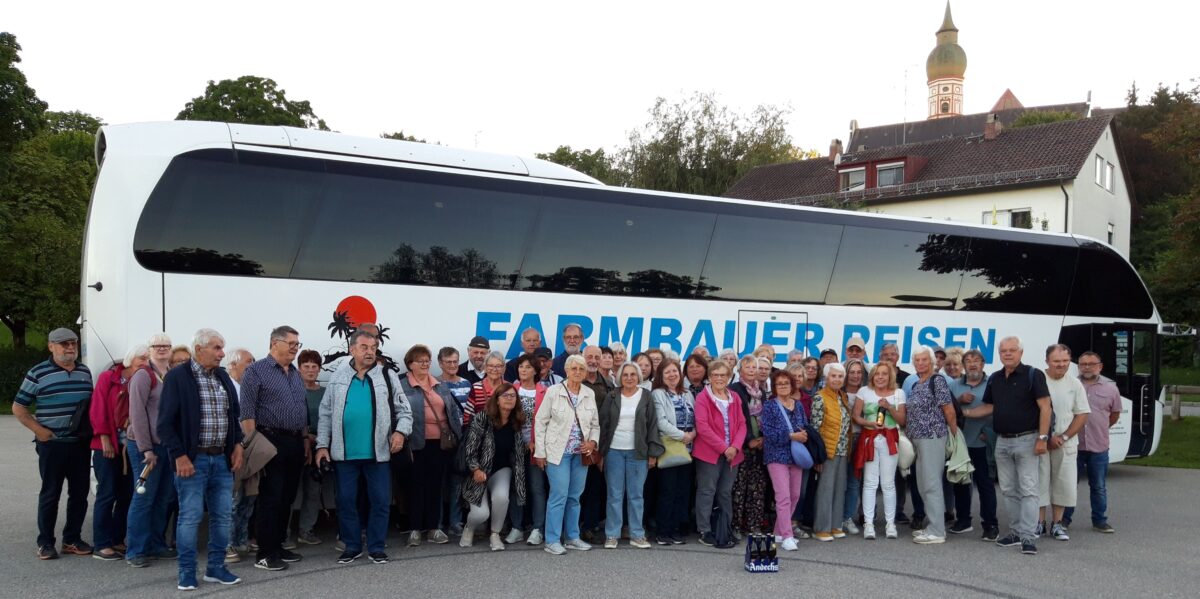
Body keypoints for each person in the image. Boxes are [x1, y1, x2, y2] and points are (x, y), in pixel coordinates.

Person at [157, 328, 245, 590]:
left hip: (221, 461)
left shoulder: (222, 377)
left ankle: (216, 568)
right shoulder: (177, 378)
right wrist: (180, 456)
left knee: (222, 516)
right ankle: (186, 572)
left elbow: (234, 415)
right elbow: (164, 425)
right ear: (199, 350)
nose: (221, 353)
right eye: (216, 348)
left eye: (222, 347)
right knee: (190, 517)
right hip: (192, 461)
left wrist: (238, 444)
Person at [315, 330, 411, 565]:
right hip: (344, 454)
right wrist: (322, 446)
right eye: (365, 347)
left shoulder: (387, 376)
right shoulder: (338, 376)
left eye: (373, 347)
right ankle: (352, 546)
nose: (370, 351)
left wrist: (400, 432)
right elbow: (325, 413)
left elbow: (404, 411)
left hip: (378, 454)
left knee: (379, 500)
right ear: (352, 349)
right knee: (346, 500)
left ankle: (377, 547)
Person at [963, 336, 1052, 556]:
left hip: (1028, 440)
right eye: (1004, 351)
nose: (1008, 354)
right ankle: (1014, 532)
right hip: (1002, 441)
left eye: (1012, 350)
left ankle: (1028, 537)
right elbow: (989, 407)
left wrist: (1042, 438)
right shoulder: (995, 378)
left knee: (1029, 490)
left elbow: (1046, 408)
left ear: (1021, 353)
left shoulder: (1033, 375)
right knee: (1009, 490)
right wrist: (964, 413)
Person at [14, 327, 95, 560]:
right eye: (64, 344)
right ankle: (46, 542)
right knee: (51, 493)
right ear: (51, 346)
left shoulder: (84, 372)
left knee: (79, 494)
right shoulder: (37, 373)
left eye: (73, 343)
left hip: (80, 444)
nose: (70, 348)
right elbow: (18, 408)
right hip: (53, 445)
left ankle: (72, 539)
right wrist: (40, 431)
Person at [238, 326, 307, 571]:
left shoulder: (295, 374)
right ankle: (266, 554)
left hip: (295, 442)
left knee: (287, 498)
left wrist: (305, 440)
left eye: (296, 344)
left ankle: (278, 546)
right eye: (291, 343)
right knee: (271, 498)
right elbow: (246, 412)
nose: (295, 348)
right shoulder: (256, 372)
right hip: (270, 441)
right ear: (274, 343)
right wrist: (254, 446)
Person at [534, 354, 601, 555]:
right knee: (559, 495)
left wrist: (592, 442)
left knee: (575, 497)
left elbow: (595, 424)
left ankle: (572, 537)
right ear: (566, 370)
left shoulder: (589, 393)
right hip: (557, 453)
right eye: (574, 369)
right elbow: (540, 421)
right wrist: (540, 452)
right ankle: (552, 540)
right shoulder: (554, 392)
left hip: (580, 454)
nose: (578, 372)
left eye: (581, 369)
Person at [90, 344, 150, 559]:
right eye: (141, 358)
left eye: (147, 358)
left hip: (129, 448)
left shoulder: (142, 380)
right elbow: (98, 408)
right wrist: (103, 437)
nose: (145, 362)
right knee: (107, 494)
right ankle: (101, 543)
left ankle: (117, 538)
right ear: (130, 359)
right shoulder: (109, 377)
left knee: (126, 494)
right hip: (107, 445)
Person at [400, 344, 463, 546]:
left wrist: (457, 434)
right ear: (410, 364)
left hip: (440, 444)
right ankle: (415, 529)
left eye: (427, 361)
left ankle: (434, 528)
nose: (425, 364)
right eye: (421, 361)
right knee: (416, 486)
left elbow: (452, 411)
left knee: (436, 486)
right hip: (415, 443)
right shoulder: (402, 386)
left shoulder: (439, 385)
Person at [125, 333, 178, 567]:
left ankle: (156, 544)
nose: (162, 349)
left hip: (167, 445)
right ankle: (135, 550)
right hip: (146, 447)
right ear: (150, 349)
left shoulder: (171, 375)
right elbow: (136, 414)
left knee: (163, 498)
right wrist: (146, 449)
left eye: (166, 346)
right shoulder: (143, 376)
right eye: (157, 346)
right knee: (143, 499)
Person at [598, 363, 664, 549]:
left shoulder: (646, 396)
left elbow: (652, 425)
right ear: (620, 377)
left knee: (636, 495)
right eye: (625, 374)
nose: (629, 378)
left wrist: (652, 453)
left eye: (632, 374)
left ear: (638, 377)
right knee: (614, 495)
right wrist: (601, 454)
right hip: (613, 451)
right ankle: (612, 535)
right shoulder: (612, 395)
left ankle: (637, 534)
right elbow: (603, 425)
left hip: (639, 452)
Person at [459, 382, 527, 551]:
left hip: (502, 470)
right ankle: (469, 527)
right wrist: (475, 469)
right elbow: (470, 447)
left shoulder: (516, 421)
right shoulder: (482, 418)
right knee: (481, 514)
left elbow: (517, 452)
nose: (509, 399)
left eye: (513, 396)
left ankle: (495, 534)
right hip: (479, 471)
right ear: (496, 399)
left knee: (501, 498)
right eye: (505, 395)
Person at [902, 346, 957, 545]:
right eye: (917, 360)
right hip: (917, 440)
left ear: (932, 361)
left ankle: (937, 530)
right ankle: (933, 525)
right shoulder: (916, 384)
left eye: (925, 359)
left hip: (933, 437)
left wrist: (954, 436)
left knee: (932, 484)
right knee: (923, 484)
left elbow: (949, 411)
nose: (921, 363)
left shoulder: (938, 381)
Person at [1064, 351, 1121, 533]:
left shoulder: (1111, 389)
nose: (1087, 367)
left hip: (1099, 446)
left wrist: (1099, 428)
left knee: (1098, 486)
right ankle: (1064, 520)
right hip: (1074, 445)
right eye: (1083, 364)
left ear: (1100, 366)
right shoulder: (1070, 386)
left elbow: (1114, 415)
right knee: (1069, 485)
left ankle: (1099, 521)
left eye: (1091, 363)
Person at [1038, 344, 1090, 542]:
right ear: (1047, 361)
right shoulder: (1037, 379)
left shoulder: (1075, 384)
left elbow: (1082, 413)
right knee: (1039, 482)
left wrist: (1064, 437)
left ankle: (1058, 524)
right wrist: (1044, 436)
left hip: (1065, 442)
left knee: (1064, 483)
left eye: (1065, 361)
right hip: (1040, 440)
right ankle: (1039, 523)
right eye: (1056, 361)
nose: (1061, 365)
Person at [693, 360, 747, 547]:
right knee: (707, 491)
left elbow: (742, 424)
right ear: (709, 377)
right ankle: (705, 530)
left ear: (729, 376)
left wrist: (735, 447)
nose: (719, 378)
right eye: (715, 375)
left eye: (723, 375)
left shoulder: (735, 397)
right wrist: (724, 448)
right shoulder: (702, 398)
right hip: (709, 453)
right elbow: (703, 427)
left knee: (725, 492)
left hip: (733, 454)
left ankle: (725, 528)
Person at [853, 361, 906, 540]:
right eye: (877, 374)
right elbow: (856, 416)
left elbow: (903, 420)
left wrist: (889, 407)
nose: (880, 377)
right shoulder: (864, 392)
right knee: (869, 483)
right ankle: (869, 523)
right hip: (870, 440)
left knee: (888, 483)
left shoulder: (899, 393)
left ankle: (890, 524)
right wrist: (870, 423)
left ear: (890, 376)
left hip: (890, 440)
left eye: (884, 373)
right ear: (872, 376)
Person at [950, 349, 998, 540]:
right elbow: (947, 410)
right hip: (960, 443)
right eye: (968, 361)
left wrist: (991, 433)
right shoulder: (954, 385)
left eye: (976, 360)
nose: (972, 364)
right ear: (963, 365)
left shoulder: (992, 384)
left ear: (983, 364)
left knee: (985, 485)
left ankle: (990, 524)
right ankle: (963, 521)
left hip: (982, 443)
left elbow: (998, 410)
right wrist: (959, 402)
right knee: (960, 483)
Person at [758, 369, 808, 551]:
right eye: (779, 384)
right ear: (774, 387)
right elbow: (768, 433)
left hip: (796, 455)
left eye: (786, 383)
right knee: (783, 496)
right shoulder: (770, 406)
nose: (783, 386)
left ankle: (779, 531)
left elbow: (803, 424)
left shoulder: (798, 405)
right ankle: (787, 535)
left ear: (792, 385)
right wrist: (791, 436)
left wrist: (802, 434)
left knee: (795, 495)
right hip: (776, 455)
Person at [651, 359, 695, 545]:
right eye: (667, 372)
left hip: (688, 451)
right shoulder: (658, 394)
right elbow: (660, 422)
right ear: (661, 375)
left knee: (682, 491)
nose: (672, 375)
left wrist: (693, 433)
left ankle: (676, 528)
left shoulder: (687, 394)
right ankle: (663, 530)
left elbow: (697, 417)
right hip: (670, 448)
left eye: (675, 371)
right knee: (667, 491)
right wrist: (682, 436)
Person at [507, 354, 547, 545]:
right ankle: (517, 527)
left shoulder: (544, 392)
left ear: (535, 371)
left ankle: (537, 528)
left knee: (537, 488)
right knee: (517, 487)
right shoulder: (510, 390)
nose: (523, 370)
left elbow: (548, 422)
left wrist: (536, 443)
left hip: (536, 448)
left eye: (528, 367)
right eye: (521, 367)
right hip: (514, 448)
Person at [729, 356, 769, 536]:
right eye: (748, 367)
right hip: (741, 446)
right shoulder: (734, 390)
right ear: (739, 370)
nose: (753, 370)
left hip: (760, 446)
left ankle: (753, 525)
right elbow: (736, 420)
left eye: (755, 367)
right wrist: (749, 439)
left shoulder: (762, 392)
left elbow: (766, 417)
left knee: (757, 488)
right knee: (738, 488)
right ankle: (735, 526)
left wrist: (763, 439)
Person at [811, 362, 852, 541]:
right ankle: (821, 527)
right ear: (827, 378)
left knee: (839, 489)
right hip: (827, 451)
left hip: (842, 450)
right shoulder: (820, 397)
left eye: (840, 376)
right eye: (833, 376)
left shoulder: (843, 397)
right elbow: (815, 428)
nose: (837, 379)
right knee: (825, 490)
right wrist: (817, 457)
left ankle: (835, 525)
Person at [438, 346, 474, 536]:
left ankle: (455, 521)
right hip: (442, 440)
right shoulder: (435, 383)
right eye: (448, 362)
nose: (452, 365)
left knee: (457, 482)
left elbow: (471, 411)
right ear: (440, 363)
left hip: (462, 440)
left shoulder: (467, 384)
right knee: (439, 482)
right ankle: (437, 523)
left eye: (455, 361)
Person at [294, 349, 328, 546]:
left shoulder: (325, 392)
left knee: (313, 490)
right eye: (306, 366)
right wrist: (306, 436)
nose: (310, 370)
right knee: (289, 491)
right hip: (297, 445)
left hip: (320, 447)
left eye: (314, 366)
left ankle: (306, 529)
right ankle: (282, 532)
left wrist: (321, 438)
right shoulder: (292, 390)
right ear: (299, 369)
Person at [841, 358, 867, 536]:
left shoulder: (866, 393)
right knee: (836, 481)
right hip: (841, 440)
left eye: (859, 372)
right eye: (852, 372)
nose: (856, 376)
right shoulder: (838, 392)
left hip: (860, 439)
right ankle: (835, 516)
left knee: (854, 481)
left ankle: (848, 516)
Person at [469, 351, 507, 427]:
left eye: (498, 366)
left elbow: (514, 414)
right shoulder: (476, 387)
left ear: (504, 369)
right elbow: (468, 416)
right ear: (485, 368)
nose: (494, 369)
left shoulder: (509, 387)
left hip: (504, 433)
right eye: (490, 366)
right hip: (481, 435)